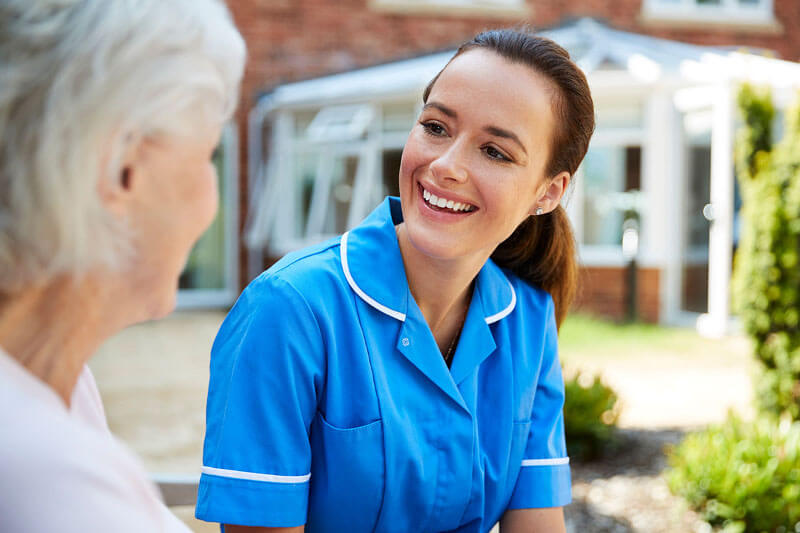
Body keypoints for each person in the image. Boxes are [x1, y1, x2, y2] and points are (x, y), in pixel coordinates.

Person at [196, 28, 594, 533]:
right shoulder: (288, 312)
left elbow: (537, 523)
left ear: (548, 191)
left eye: (495, 152)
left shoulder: (529, 321)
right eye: (435, 127)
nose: (446, 166)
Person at [0, 1, 245, 531]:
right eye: (207, 156)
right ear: (123, 169)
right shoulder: (45, 483)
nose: (212, 198)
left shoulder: (60, 381)